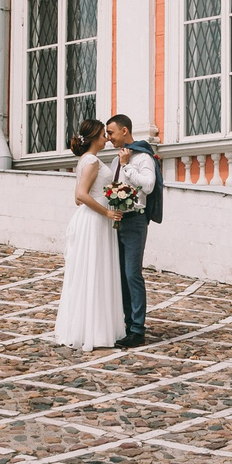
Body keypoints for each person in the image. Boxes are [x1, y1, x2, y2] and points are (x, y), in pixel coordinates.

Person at [47, 118, 126, 351]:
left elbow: (77, 197)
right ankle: (94, 331)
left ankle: (89, 328)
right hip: (95, 221)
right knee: (94, 271)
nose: (107, 138)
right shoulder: (91, 161)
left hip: (91, 219)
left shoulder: (85, 160)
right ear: (94, 138)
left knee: (92, 272)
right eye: (104, 134)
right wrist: (107, 212)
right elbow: (81, 195)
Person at [102, 113, 160, 348]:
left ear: (124, 131)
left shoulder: (142, 157)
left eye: (111, 133)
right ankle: (126, 325)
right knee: (121, 276)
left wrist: (127, 167)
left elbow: (148, 185)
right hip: (117, 220)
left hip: (135, 220)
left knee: (132, 274)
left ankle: (137, 329)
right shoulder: (117, 160)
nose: (108, 138)